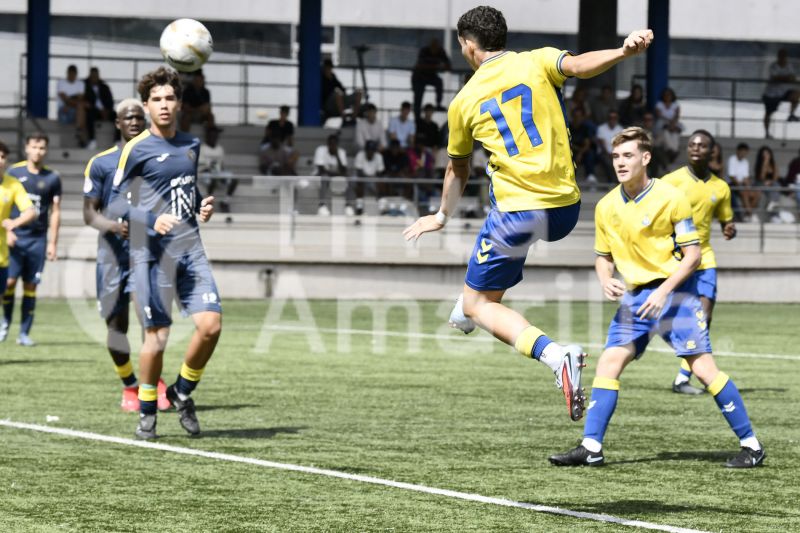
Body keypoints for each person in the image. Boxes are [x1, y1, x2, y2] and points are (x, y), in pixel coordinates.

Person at [403, 5, 653, 421]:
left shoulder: (464, 102)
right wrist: (623, 52)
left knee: (479, 304)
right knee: (483, 294)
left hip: (518, 213)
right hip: (566, 209)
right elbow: (579, 65)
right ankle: (467, 308)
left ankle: (558, 356)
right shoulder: (537, 60)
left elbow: (457, 168)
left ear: (468, 45)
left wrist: (441, 217)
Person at [548, 127, 764, 468]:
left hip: (675, 294)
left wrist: (664, 292)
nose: (620, 162)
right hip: (634, 298)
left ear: (645, 158)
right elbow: (603, 257)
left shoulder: (670, 196)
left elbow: (692, 255)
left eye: (628, 155)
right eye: (616, 156)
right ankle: (591, 447)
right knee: (609, 363)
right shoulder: (605, 206)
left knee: (704, 370)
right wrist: (606, 279)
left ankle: (751, 446)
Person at [110, 66, 219, 440]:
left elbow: (186, 186)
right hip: (151, 255)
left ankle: (181, 393)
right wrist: (151, 219)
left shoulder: (191, 145)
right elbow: (113, 203)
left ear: (179, 104)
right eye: (156, 99)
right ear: (146, 105)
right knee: (156, 338)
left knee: (211, 327)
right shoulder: (136, 149)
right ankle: (146, 411)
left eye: (170, 98)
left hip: (190, 249)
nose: (164, 105)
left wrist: (202, 205)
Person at [83, 98, 170, 411]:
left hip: (147, 254)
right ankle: (129, 385)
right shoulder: (101, 163)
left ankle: (152, 381)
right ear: (117, 123)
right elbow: (89, 214)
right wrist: (112, 226)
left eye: (138, 117)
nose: (134, 122)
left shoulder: (159, 159)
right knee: (116, 326)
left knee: (152, 323)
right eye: (127, 118)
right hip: (112, 257)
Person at [661, 130, 736, 395]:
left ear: (711, 151)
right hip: (677, 260)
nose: (695, 148)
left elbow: (726, 220)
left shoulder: (721, 187)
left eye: (702, 145)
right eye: (692, 144)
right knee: (668, 318)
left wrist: (729, 229)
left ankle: (682, 377)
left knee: (703, 318)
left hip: (705, 259)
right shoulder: (671, 181)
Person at [1, 133, 61, 346]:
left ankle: (24, 333)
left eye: (42, 148)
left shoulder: (53, 177)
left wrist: (53, 242)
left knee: (31, 286)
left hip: (37, 238)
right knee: (8, 282)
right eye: (34, 147)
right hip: (16, 237)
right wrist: (8, 230)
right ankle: (5, 322)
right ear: (27, 148)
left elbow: (55, 212)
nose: (37, 151)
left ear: (46, 150)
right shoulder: (13, 173)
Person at [0, 141, 36, 339]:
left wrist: (15, 223)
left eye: (3, 157)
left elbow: (30, 211)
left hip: (2, 256)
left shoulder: (12, 184)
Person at [762, 49, 799, 138]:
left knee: (797, 93)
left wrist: (784, 78)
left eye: (784, 56)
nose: (783, 58)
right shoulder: (773, 66)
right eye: (781, 56)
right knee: (768, 113)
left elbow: (792, 77)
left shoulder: (789, 66)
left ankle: (791, 114)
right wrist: (786, 78)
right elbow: (775, 78)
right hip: (772, 94)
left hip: (784, 92)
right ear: (778, 57)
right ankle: (767, 133)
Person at [198, 125, 236, 213]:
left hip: (218, 172)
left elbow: (221, 165)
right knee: (213, 179)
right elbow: (201, 165)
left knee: (234, 180)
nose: (213, 137)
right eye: (212, 135)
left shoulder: (220, 149)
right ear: (207, 136)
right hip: (204, 173)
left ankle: (225, 201)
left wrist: (222, 175)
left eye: (215, 136)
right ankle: (208, 202)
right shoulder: (202, 148)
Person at [411, 38, 451, 119]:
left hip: (431, 75)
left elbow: (448, 66)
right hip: (419, 76)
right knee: (418, 98)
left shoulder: (441, 51)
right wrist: (437, 66)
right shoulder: (424, 51)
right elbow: (420, 65)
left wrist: (441, 66)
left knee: (439, 82)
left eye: (436, 47)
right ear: (430, 46)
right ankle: (417, 117)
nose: (434, 49)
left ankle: (438, 104)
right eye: (433, 47)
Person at [313, 134, 348, 216]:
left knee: (350, 178)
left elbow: (344, 170)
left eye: (334, 144)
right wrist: (338, 174)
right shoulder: (320, 150)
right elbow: (321, 170)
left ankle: (348, 206)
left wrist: (337, 156)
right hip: (318, 176)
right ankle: (322, 206)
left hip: (335, 177)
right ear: (327, 144)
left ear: (337, 145)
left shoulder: (341, 152)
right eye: (330, 144)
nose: (332, 146)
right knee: (325, 177)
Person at [83, 67, 115, 150]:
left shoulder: (104, 87)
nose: (94, 77)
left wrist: (107, 110)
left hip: (106, 111)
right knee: (89, 116)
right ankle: (92, 140)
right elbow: (84, 101)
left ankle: (117, 140)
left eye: (96, 75)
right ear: (90, 76)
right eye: (92, 76)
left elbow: (110, 101)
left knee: (117, 116)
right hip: (93, 111)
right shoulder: (85, 87)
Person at [56, 65, 88, 145]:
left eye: (73, 74)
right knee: (81, 107)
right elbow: (64, 98)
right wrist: (73, 102)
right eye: (70, 74)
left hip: (74, 110)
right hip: (64, 111)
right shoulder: (61, 82)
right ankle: (80, 132)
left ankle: (80, 132)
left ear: (76, 74)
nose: (72, 76)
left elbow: (79, 98)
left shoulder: (80, 83)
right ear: (67, 73)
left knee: (81, 108)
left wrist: (69, 102)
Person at [353, 140, 384, 214]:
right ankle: (359, 207)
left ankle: (381, 205)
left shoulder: (378, 156)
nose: (370, 152)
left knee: (382, 182)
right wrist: (368, 178)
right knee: (359, 182)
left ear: (374, 151)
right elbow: (359, 172)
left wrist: (372, 179)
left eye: (372, 150)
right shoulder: (360, 155)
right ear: (366, 150)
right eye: (369, 150)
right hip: (362, 177)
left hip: (373, 178)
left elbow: (380, 173)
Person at [727, 143, 755, 221]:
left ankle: (747, 214)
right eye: (742, 151)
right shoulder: (732, 159)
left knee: (755, 194)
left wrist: (749, 187)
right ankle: (749, 214)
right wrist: (741, 186)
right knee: (744, 193)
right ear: (738, 151)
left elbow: (746, 177)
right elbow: (732, 176)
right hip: (732, 184)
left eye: (745, 152)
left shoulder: (745, 162)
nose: (744, 154)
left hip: (741, 184)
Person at [570, 107, 598, 184]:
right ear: (572, 116)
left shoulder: (585, 127)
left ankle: (590, 176)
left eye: (579, 116)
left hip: (583, 150)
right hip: (571, 149)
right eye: (575, 116)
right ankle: (570, 177)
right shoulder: (568, 126)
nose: (577, 118)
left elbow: (587, 143)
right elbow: (567, 142)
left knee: (590, 154)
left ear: (582, 117)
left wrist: (580, 153)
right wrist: (576, 150)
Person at [595, 109, 623, 181]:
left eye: (614, 118)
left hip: (617, 153)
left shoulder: (620, 129)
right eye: (610, 118)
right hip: (604, 153)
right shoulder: (601, 128)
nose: (612, 120)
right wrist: (609, 153)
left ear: (617, 119)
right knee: (608, 162)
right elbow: (602, 143)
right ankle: (611, 182)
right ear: (608, 119)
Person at [754, 145, 780, 214]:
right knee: (766, 187)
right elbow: (761, 177)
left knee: (777, 184)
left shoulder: (773, 164)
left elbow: (776, 178)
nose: (766, 156)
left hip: (771, 183)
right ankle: (773, 202)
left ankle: (773, 201)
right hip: (760, 182)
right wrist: (765, 164)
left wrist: (770, 181)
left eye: (767, 154)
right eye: (764, 154)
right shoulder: (759, 164)